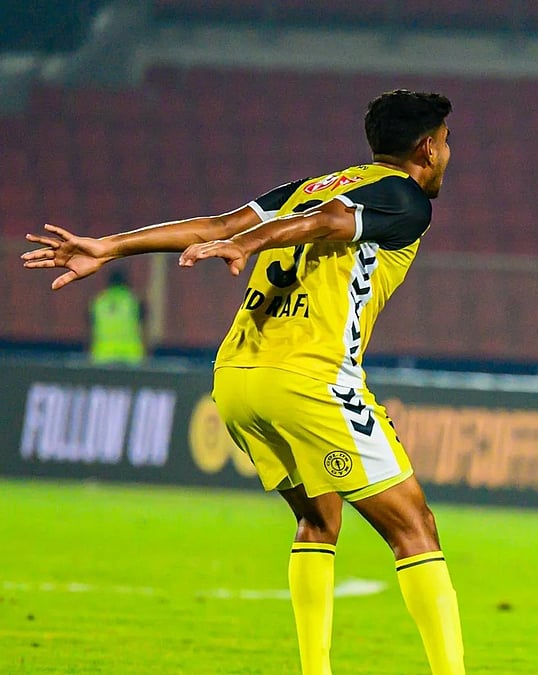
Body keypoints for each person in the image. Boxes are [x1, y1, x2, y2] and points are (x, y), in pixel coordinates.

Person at [23, 89, 466, 675]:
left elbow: (217, 224)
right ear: (427, 147)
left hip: (236, 376)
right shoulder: (406, 198)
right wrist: (251, 241)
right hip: (308, 379)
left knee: (318, 518)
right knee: (416, 529)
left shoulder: (314, 184)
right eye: (447, 142)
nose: (448, 154)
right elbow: (331, 225)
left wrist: (110, 246)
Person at [89, 267, 146, 365]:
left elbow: (90, 329)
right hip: (130, 357)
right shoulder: (133, 300)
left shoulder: (98, 302)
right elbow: (144, 328)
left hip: (102, 356)